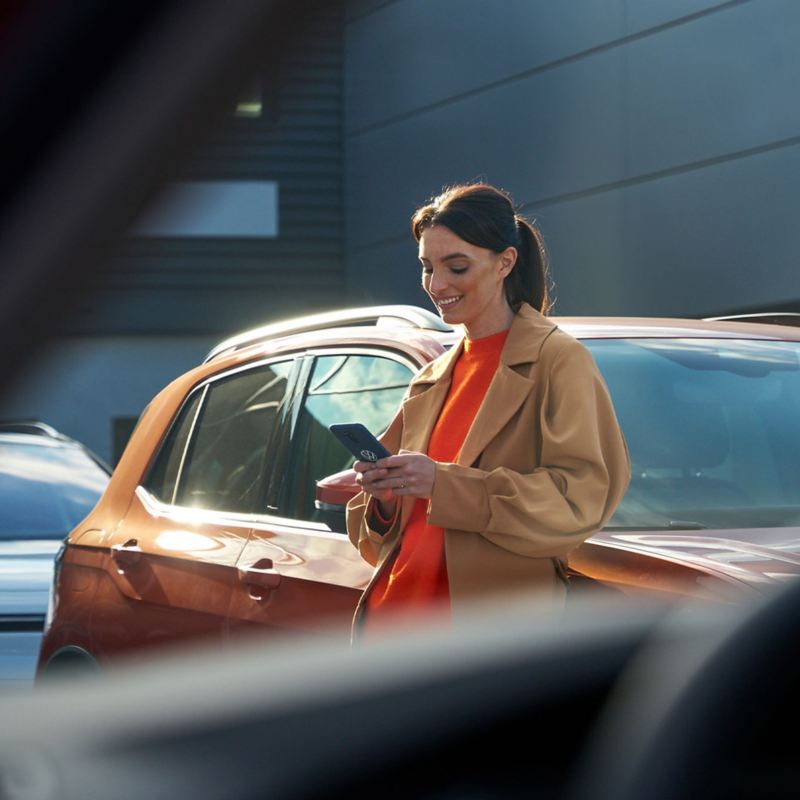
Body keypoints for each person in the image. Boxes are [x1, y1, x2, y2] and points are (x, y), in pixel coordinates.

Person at [346, 182, 630, 636]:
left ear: (505, 262)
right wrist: (383, 496)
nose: (436, 285)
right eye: (427, 268)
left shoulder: (557, 359)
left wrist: (442, 482)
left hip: (489, 639)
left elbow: (579, 499)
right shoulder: (432, 376)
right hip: (393, 627)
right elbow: (377, 538)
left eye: (456, 267)